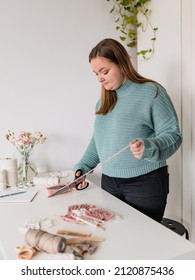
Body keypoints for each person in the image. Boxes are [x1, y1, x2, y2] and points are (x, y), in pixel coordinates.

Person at [74, 38, 182, 223]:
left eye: (104, 71)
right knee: (117, 239)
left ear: (122, 64)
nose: (100, 78)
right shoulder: (103, 102)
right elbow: (98, 140)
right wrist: (82, 167)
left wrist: (148, 145)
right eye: (96, 74)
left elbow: (173, 135)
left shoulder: (152, 92)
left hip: (145, 183)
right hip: (109, 182)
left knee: (142, 241)